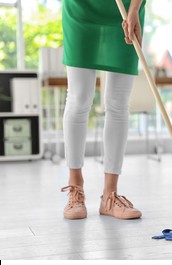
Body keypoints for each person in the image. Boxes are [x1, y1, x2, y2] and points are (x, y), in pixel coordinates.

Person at [60, 0, 146, 219]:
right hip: (81, 9)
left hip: (126, 11)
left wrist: (134, 9)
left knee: (118, 103)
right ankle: (75, 188)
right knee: (79, 99)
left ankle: (110, 195)